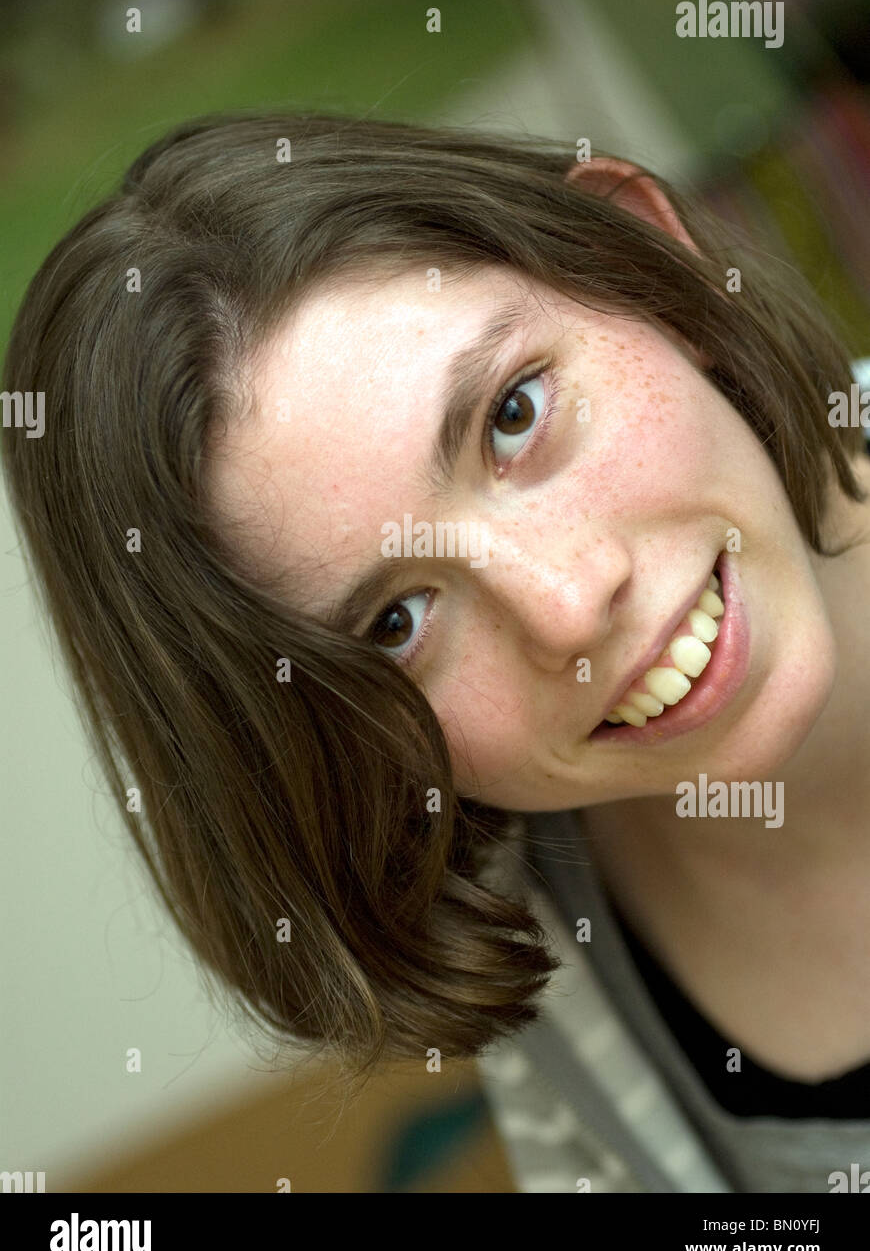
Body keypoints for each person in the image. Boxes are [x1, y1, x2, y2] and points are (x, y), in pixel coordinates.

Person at [3, 110, 870, 1192]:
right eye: (397, 622)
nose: (566, 605)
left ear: (646, 259)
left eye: (514, 414)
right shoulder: (555, 980)